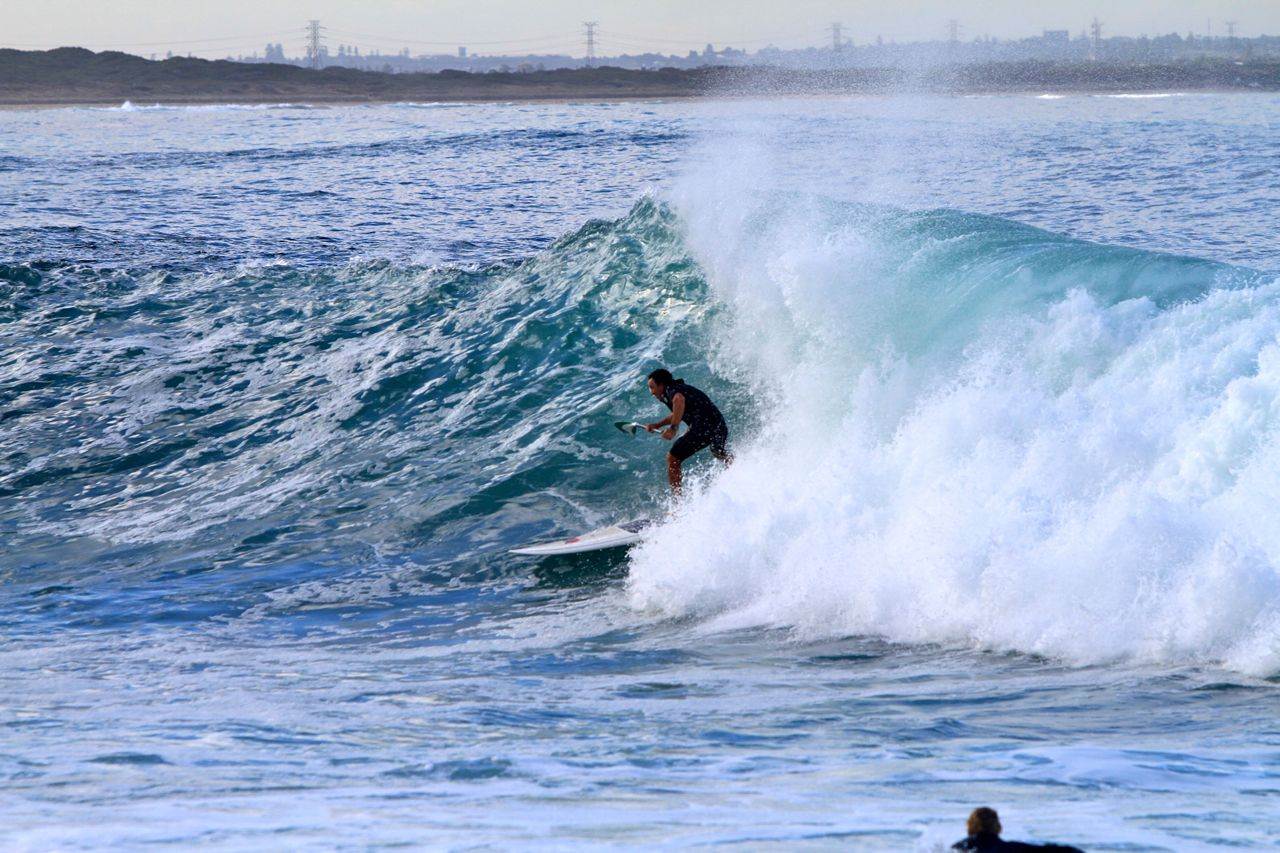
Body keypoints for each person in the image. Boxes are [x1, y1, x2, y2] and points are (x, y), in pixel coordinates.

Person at [644, 368, 731, 494]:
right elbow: (677, 412)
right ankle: (737, 466)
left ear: (661, 385)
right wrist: (657, 425)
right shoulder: (678, 388)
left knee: (672, 458)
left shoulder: (672, 391)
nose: (651, 392)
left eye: (652, 387)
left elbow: (678, 400)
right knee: (718, 452)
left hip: (704, 426)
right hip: (718, 425)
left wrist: (673, 428)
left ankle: (677, 502)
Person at [952, 808, 1083, 852]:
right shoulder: (1013, 848)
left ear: (970, 825)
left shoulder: (957, 848)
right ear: (997, 826)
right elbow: (1051, 850)